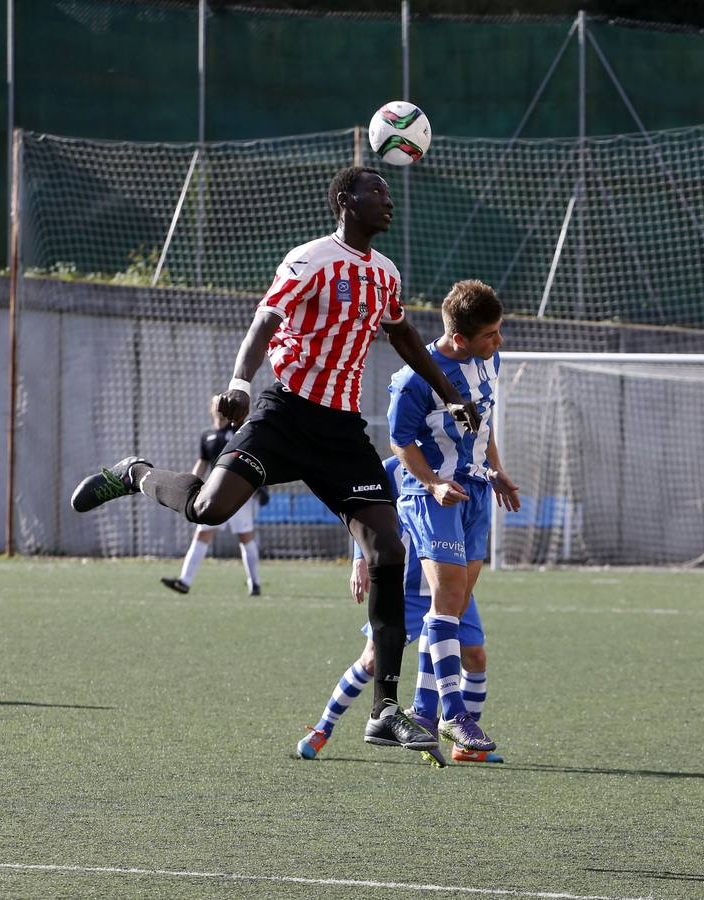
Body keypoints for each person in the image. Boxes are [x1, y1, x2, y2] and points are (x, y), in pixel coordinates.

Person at [70, 165, 482, 754]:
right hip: (285, 414)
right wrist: (239, 382)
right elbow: (267, 317)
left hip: (340, 434)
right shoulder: (311, 258)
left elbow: (405, 337)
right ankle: (134, 473)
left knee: (389, 551)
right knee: (209, 510)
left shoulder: (385, 274)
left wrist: (449, 393)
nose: (388, 201)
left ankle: (385, 708)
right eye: (378, 192)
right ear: (346, 200)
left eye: (390, 193)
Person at [295, 455, 503, 765]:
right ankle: (322, 729)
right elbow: (363, 511)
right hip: (406, 586)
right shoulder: (393, 468)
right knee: (371, 661)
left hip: (450, 585)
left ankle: (465, 744)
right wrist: (359, 559)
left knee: (475, 656)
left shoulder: (462, 464)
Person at [387, 279, 519, 754]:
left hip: (477, 493)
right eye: (490, 335)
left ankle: (423, 713)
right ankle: (454, 716)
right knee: (445, 601)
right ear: (459, 338)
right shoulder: (414, 379)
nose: (498, 342)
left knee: (454, 607)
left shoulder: (489, 361)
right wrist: (434, 483)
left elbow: (479, 424)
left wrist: (497, 471)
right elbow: (400, 443)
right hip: (435, 499)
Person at [160, 394, 264, 597]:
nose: (220, 408)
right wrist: (187, 484)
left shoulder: (238, 430)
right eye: (216, 405)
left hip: (238, 495)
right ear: (211, 408)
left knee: (245, 538)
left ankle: (255, 583)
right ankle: (184, 582)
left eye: (222, 404)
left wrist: (261, 487)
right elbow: (202, 463)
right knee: (202, 535)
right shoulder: (207, 435)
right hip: (213, 494)